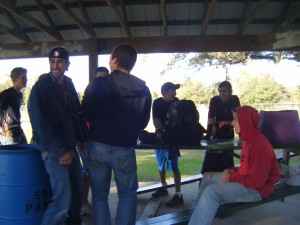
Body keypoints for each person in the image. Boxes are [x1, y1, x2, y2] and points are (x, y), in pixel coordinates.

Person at [81, 43, 152, 225]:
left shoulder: (98, 84)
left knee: (99, 196)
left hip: (98, 146)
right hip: (125, 148)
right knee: (127, 194)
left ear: (114, 60)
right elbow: (143, 123)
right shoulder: (143, 90)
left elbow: (85, 113)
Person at [189, 105, 280, 225]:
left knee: (212, 192)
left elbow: (256, 182)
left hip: (257, 190)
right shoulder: (248, 140)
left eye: (235, 119)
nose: (232, 123)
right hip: (248, 182)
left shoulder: (258, 145)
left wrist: (231, 177)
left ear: (245, 121)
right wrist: (231, 171)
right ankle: (192, 216)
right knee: (207, 177)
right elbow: (246, 168)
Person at [28, 47, 87, 225]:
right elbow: (41, 124)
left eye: (60, 61)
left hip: (70, 148)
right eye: (52, 62)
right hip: (54, 152)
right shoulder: (41, 88)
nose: (55, 65)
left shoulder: (68, 83)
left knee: (77, 194)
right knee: (62, 201)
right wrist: (61, 151)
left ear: (67, 65)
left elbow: (75, 113)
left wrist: (80, 138)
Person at [151, 82, 184, 207]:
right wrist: (161, 131)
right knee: (161, 165)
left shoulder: (177, 102)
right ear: (164, 91)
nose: (175, 93)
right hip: (161, 138)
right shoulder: (157, 102)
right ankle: (163, 187)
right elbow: (155, 120)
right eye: (172, 90)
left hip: (173, 139)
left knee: (174, 166)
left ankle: (178, 194)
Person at [201, 81, 240, 173]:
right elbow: (210, 117)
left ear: (230, 91)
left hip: (229, 133)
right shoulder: (214, 100)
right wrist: (208, 133)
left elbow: (238, 116)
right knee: (210, 164)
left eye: (224, 91)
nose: (222, 93)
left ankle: (225, 183)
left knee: (226, 163)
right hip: (215, 134)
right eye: (220, 91)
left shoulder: (235, 99)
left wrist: (227, 123)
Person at [0, 67, 28, 145]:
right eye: (23, 78)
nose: (26, 80)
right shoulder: (6, 94)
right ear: (15, 79)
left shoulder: (20, 94)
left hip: (19, 131)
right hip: (9, 134)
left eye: (26, 78)